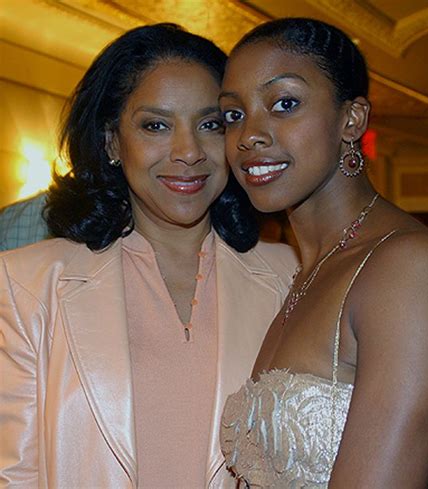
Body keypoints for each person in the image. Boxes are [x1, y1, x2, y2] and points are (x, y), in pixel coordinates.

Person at [0, 24, 298, 488]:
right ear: (112, 142)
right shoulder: (26, 285)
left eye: (210, 125)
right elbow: (12, 474)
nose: (188, 152)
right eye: (156, 125)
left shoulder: (290, 277)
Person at [219, 18, 428, 488]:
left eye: (285, 104)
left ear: (352, 119)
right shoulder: (304, 274)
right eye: (234, 114)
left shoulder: (413, 268)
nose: (248, 135)